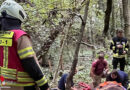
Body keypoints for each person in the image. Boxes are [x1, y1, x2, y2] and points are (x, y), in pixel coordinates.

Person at [0, 0, 49, 90]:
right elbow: (29, 62)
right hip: (22, 85)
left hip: (3, 84)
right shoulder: (19, 36)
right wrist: (44, 85)